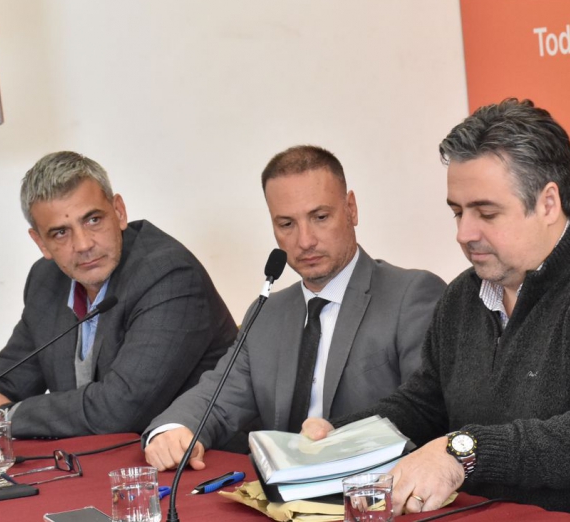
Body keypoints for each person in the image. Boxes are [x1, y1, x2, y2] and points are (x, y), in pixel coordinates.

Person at [303, 100, 570, 522]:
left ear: (548, 203)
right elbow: (425, 405)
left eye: (486, 213)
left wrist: (464, 451)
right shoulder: (462, 297)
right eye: (457, 212)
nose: (464, 233)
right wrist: (343, 437)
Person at [143, 145, 444, 470]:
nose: (305, 241)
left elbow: (429, 413)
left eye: (320, 217)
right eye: (287, 224)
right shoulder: (267, 313)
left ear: (351, 209)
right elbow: (217, 397)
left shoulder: (410, 295)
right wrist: (174, 430)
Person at [0, 151, 238, 444]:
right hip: (107, 463)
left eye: (93, 220)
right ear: (41, 243)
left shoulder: (168, 275)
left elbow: (122, 407)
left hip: (205, 466)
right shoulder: (48, 279)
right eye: (61, 233)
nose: (83, 244)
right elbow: (12, 375)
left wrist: (4, 418)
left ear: (119, 211)